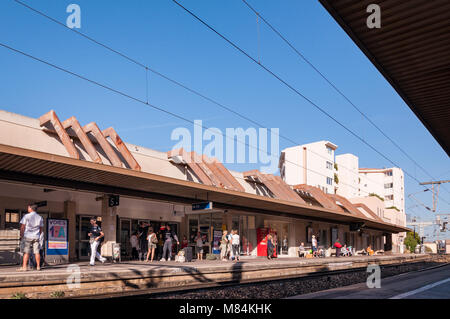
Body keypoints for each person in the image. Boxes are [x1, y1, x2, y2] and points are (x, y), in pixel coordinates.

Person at [18, 204, 44, 271]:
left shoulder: (26, 216)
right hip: (36, 237)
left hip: (28, 236)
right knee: (37, 252)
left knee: (26, 252)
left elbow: (22, 227)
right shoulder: (40, 217)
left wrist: (21, 235)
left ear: (31, 208)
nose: (28, 208)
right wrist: (38, 234)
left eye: (28, 207)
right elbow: (41, 229)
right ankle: (38, 266)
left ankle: (24, 267)